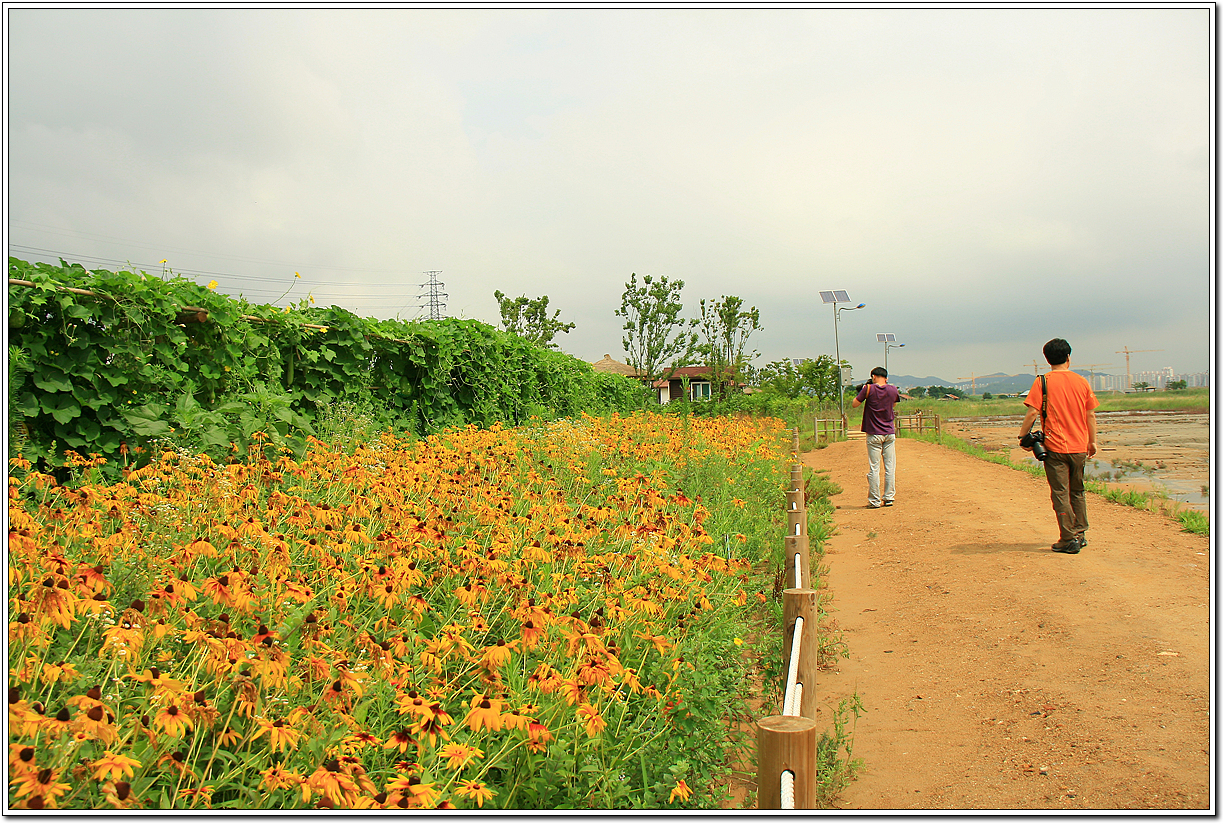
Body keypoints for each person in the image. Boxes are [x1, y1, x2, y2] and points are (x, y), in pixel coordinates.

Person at [1018, 338, 1099, 554]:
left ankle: (1068, 538)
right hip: (1080, 446)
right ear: (1068, 357)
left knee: (1060, 493)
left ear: (1047, 358)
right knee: (1078, 491)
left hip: (1054, 448)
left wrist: (1023, 436)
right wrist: (1092, 441)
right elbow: (1090, 414)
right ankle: (1080, 534)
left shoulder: (1043, 381)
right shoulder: (1082, 382)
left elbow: (1033, 411)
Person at [852, 367, 901, 508]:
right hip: (889, 432)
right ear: (886, 378)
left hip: (874, 433)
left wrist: (864, 392)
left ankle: (874, 500)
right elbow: (893, 404)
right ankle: (889, 497)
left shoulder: (868, 389)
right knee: (890, 467)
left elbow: (855, 404)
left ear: (873, 377)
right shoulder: (893, 389)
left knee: (874, 468)